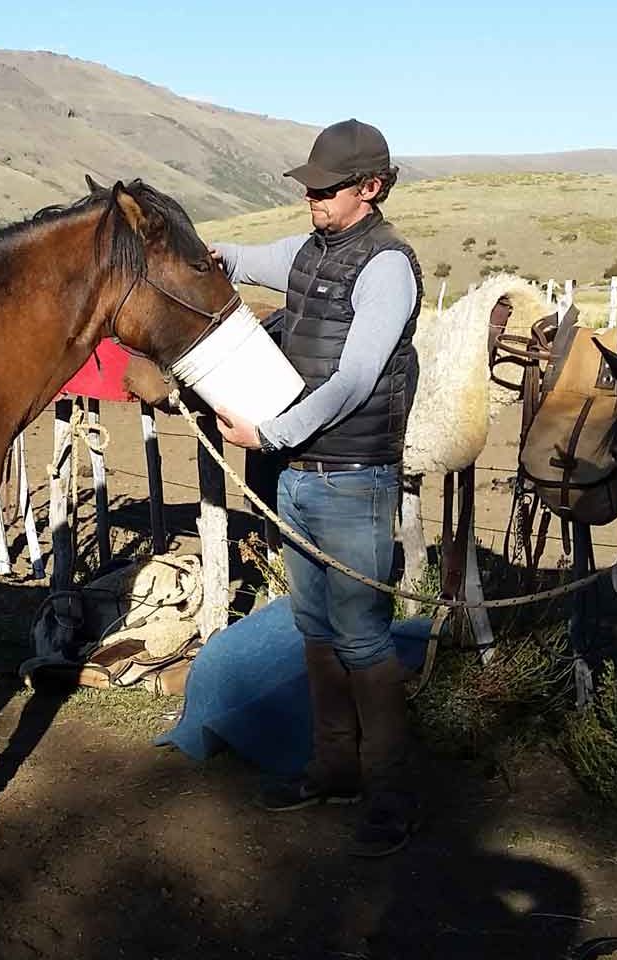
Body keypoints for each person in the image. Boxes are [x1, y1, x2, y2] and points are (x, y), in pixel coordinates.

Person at [209, 118, 425, 857]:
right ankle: (333, 767)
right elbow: (257, 259)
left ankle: (392, 794)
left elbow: (358, 377)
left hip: (353, 480)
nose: (313, 198)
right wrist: (218, 257)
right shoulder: (314, 248)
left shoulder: (387, 267)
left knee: (364, 638)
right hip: (301, 477)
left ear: (371, 188)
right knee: (315, 632)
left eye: (327, 188)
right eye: (309, 186)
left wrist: (270, 436)